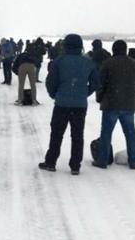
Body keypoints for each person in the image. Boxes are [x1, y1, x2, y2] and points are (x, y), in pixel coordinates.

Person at [38, 34, 99, 175]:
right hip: (80, 106)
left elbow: (50, 82)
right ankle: (75, 166)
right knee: (77, 135)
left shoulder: (59, 61)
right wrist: (84, 93)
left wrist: (55, 95)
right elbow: (96, 83)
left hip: (61, 104)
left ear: (65, 45)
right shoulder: (88, 62)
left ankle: (51, 162)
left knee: (57, 134)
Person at [93, 40, 135, 169]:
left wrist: (99, 98)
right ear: (125, 49)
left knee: (106, 133)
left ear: (114, 49)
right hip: (129, 105)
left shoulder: (107, 64)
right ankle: (133, 160)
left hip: (110, 104)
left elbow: (100, 84)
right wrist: (131, 96)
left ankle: (102, 160)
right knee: (130, 134)